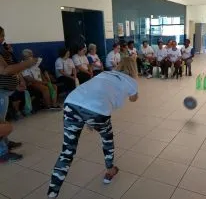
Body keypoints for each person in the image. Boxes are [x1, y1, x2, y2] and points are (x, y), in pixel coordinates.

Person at [47, 57, 138, 199]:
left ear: (119, 65)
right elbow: (133, 99)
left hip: (72, 102)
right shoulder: (131, 82)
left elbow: (93, 90)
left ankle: (52, 193)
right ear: (134, 68)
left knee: (67, 151)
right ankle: (110, 170)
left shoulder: (104, 73)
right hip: (97, 110)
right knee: (107, 140)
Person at [0, 26, 38, 163]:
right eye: (1, 35)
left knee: (2, 121)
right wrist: (27, 64)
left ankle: (5, 143)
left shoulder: (2, 51)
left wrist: (17, 82)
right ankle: (2, 152)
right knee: (2, 124)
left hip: (4, 91)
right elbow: (5, 71)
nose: (3, 39)